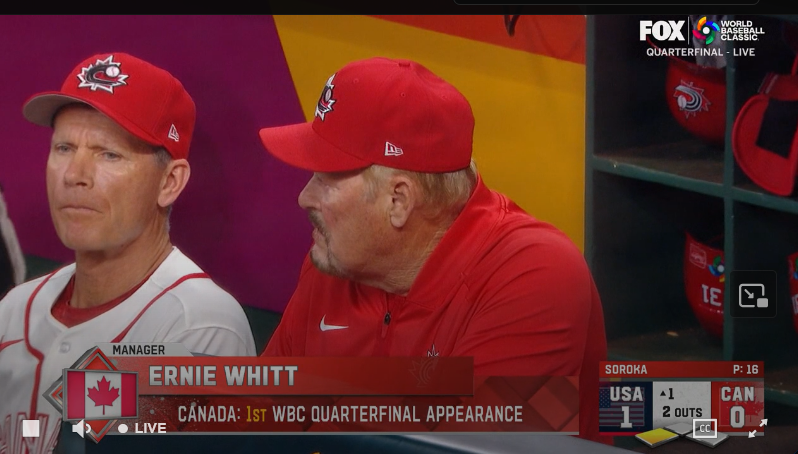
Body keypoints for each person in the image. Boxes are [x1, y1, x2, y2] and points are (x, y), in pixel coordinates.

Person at [258, 57, 610, 444]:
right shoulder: (336, 260)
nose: (304, 197)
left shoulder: (536, 277)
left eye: (325, 180)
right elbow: (257, 421)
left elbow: (477, 450)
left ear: (398, 200)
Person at [0, 52, 256, 453]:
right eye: (64, 147)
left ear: (169, 182)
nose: (74, 175)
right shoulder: (13, 311)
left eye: (108, 154)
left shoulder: (200, 328)